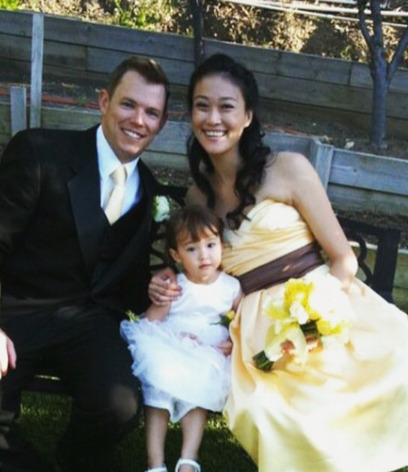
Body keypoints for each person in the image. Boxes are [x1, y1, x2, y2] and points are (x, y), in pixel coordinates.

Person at [149, 53, 408, 472]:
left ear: (248, 116)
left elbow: (343, 258)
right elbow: (201, 267)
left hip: (321, 300)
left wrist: (318, 315)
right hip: (255, 326)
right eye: (201, 106)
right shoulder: (198, 197)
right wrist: (169, 273)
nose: (213, 118)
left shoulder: (289, 169)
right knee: (269, 409)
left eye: (226, 106)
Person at [0, 56, 170, 472]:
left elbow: (123, 276)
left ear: (162, 124)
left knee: (120, 405)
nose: (139, 120)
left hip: (91, 323)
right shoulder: (41, 152)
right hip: (15, 311)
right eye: (128, 104)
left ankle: (74, 456)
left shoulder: (150, 192)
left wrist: (155, 286)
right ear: (104, 101)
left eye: (151, 112)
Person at [121, 204, 242, 472]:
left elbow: (243, 322)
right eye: (192, 249)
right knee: (158, 390)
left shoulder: (231, 287)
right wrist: (163, 305)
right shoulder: (176, 285)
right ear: (176, 255)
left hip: (208, 352)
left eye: (210, 245)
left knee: (198, 392)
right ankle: (155, 462)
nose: (204, 255)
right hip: (172, 345)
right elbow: (152, 322)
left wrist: (235, 341)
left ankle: (188, 458)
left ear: (221, 245)